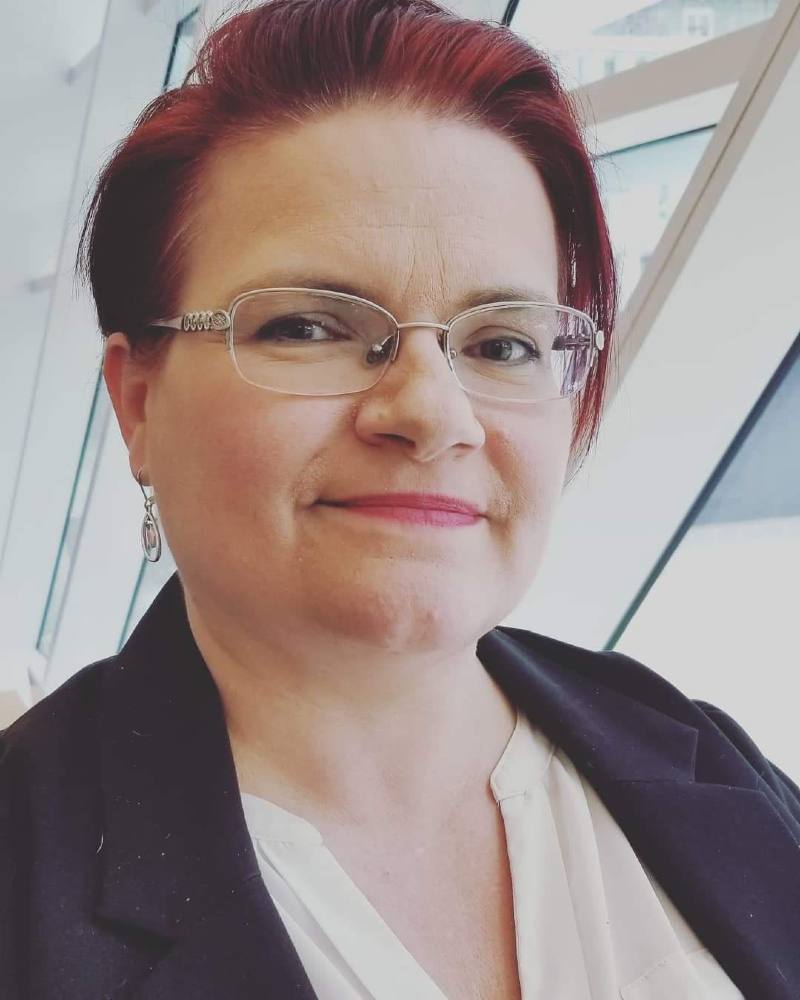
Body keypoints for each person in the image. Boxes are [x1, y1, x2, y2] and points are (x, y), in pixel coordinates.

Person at [1, 1, 798, 997]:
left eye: (499, 343)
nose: (430, 410)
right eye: (305, 327)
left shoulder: (702, 757)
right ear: (140, 403)